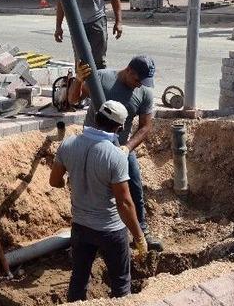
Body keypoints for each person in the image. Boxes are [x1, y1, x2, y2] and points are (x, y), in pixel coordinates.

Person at [50, 100, 148, 301]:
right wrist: (139, 237)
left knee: (78, 280)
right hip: (110, 230)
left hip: (80, 227)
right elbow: (125, 203)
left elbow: (54, 181)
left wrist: (72, 179)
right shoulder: (115, 156)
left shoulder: (68, 143)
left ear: (96, 118)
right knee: (121, 283)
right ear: (120, 127)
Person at [67, 54, 163, 252]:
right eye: (137, 80)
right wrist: (78, 80)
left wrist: (127, 147)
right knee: (89, 189)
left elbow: (145, 127)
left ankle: (141, 232)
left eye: (144, 82)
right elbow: (73, 99)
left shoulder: (144, 93)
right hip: (92, 147)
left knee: (134, 188)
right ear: (129, 70)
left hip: (121, 148)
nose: (139, 85)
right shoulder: (101, 78)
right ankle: (86, 236)